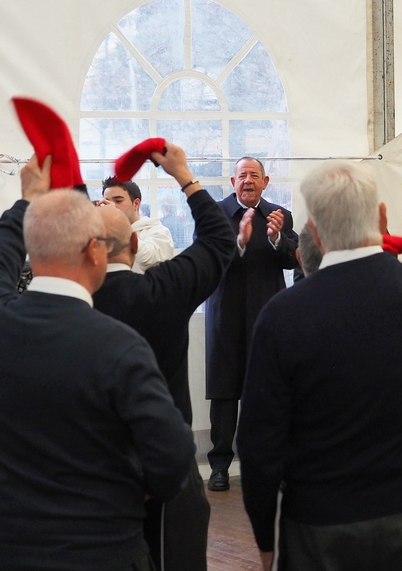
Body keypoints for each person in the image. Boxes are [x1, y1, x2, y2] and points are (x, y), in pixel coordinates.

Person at [236, 112, 402, 571]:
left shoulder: (282, 315)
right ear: (382, 217)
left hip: (318, 526)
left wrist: (264, 538)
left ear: (315, 235)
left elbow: (258, 443)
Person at [0, 158, 194, 570]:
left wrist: (27, 202)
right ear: (95, 251)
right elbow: (174, 454)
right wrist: (139, 489)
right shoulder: (119, 347)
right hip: (103, 548)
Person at [93, 142, 236, 571]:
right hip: (168, 463)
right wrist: (185, 177)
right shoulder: (165, 292)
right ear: (133, 243)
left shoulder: (65, 307)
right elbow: (219, 240)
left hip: (91, 469)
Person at [205, 156, 299, 492]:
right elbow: (207, 258)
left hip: (266, 313)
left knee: (266, 392)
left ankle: (267, 466)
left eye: (254, 175)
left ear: (265, 181)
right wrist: (240, 243)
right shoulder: (215, 213)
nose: (248, 180)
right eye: (242, 175)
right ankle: (219, 466)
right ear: (233, 182)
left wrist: (276, 238)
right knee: (224, 391)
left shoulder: (279, 215)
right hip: (225, 313)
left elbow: (294, 259)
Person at [102, 178, 175, 272]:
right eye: (107, 202)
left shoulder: (159, 232)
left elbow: (150, 260)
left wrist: (120, 225)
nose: (112, 207)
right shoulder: (104, 235)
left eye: (118, 201)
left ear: (136, 204)